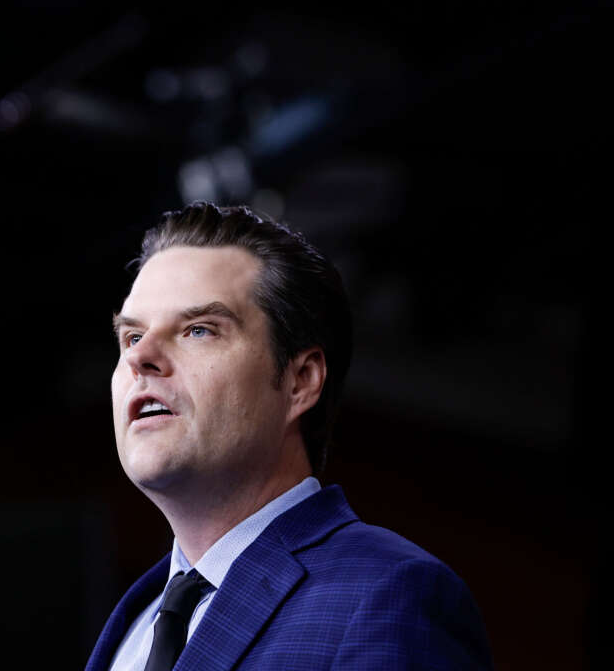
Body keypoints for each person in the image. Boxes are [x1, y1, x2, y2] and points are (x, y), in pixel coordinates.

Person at [86, 202, 491, 671]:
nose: (142, 357)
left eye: (198, 330)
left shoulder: (391, 595)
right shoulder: (133, 621)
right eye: (132, 337)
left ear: (301, 381)